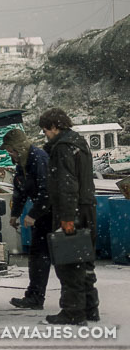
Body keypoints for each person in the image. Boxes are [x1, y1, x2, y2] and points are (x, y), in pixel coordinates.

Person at [38, 107, 100, 325]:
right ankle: (91, 308)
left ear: (54, 127)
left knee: (69, 262)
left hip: (71, 210)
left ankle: (73, 312)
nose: (45, 134)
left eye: (46, 130)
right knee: (84, 259)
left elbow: (66, 184)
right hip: (87, 207)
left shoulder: (63, 148)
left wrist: (66, 218)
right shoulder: (79, 144)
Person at [1, 128, 51, 310]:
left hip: (53, 214)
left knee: (47, 257)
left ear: (19, 148)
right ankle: (34, 296)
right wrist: (15, 214)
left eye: (11, 150)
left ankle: (39, 297)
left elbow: (48, 191)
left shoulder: (39, 159)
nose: (9, 154)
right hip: (42, 214)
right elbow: (21, 190)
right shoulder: (21, 163)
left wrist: (33, 214)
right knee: (38, 256)